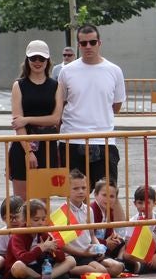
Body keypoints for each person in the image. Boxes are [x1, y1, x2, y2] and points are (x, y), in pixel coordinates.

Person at [51, 25, 127, 186]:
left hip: (104, 140)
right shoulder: (67, 71)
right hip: (72, 140)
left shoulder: (114, 71)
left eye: (92, 42)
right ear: (78, 45)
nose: (88, 46)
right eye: (83, 43)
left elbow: (116, 106)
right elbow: (61, 102)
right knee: (75, 196)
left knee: (108, 196)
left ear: (100, 43)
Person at [6, 40, 60, 199]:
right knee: (21, 202)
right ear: (27, 60)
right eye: (33, 58)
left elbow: (55, 119)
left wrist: (27, 119)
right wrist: (28, 151)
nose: (37, 62)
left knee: (43, 201)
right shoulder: (18, 85)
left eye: (41, 59)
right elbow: (17, 122)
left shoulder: (56, 86)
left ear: (48, 61)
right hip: (23, 147)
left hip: (48, 146)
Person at [120, 186, 156, 273]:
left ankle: (144, 267)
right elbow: (128, 245)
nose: (143, 206)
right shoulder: (132, 221)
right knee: (126, 255)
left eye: (147, 203)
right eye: (140, 203)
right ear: (135, 203)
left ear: (155, 203)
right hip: (140, 253)